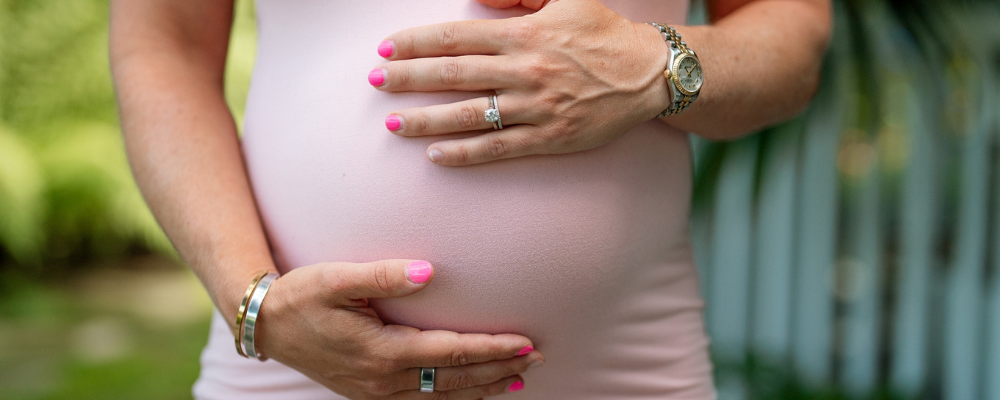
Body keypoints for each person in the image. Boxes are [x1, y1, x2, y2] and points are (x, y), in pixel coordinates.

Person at [109, 0, 831, 398]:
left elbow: (791, 35)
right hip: (292, 373)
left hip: (626, 370)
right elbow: (163, 45)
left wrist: (653, 63)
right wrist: (256, 305)